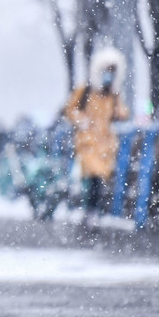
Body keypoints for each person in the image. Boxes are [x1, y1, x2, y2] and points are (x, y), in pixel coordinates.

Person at [63, 47, 130, 226]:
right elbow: (70, 109)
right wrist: (82, 121)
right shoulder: (85, 91)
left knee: (98, 179)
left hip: (105, 145)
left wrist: (120, 113)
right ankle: (90, 210)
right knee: (93, 178)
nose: (108, 75)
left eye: (112, 71)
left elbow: (122, 113)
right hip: (88, 143)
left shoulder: (113, 95)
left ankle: (91, 211)